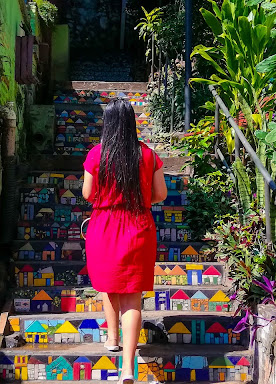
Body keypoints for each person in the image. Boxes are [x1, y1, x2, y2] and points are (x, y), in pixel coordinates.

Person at [82, 98, 167, 384]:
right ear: (131, 123)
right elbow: (160, 195)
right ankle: (128, 369)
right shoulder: (148, 155)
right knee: (133, 298)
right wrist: (137, 200)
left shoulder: (96, 154)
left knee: (108, 283)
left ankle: (112, 337)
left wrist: (109, 199)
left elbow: (87, 194)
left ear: (107, 124)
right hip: (138, 226)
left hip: (104, 227)